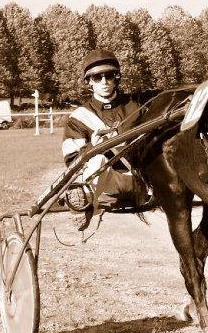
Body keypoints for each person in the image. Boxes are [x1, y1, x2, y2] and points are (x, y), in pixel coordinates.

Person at [62, 48, 148, 231]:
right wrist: (94, 146)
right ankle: (83, 203)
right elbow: (71, 162)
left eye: (109, 75)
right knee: (98, 159)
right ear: (88, 82)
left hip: (142, 181)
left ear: (117, 77)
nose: (104, 81)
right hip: (106, 184)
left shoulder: (137, 109)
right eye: (97, 77)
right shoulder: (78, 118)